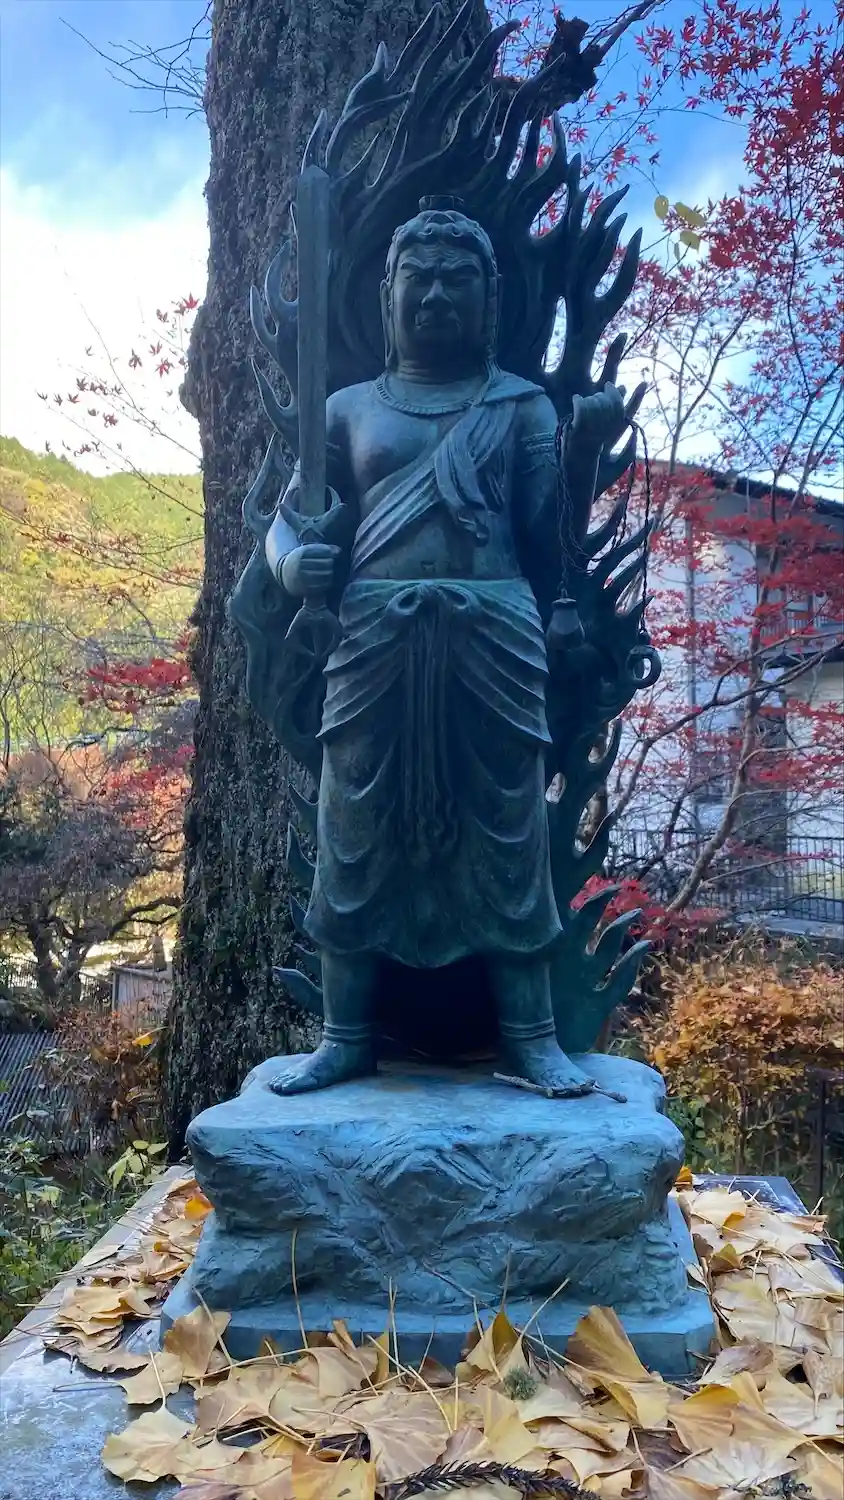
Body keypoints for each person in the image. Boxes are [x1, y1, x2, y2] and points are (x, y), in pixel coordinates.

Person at [264, 202, 623, 1096]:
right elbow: (287, 519)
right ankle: (345, 1035)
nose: (433, 297)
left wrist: (581, 454)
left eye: (455, 280)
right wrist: (295, 564)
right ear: (386, 296)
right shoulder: (348, 409)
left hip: (494, 632)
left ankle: (530, 1037)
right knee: (353, 825)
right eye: (416, 279)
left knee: (507, 829)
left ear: (488, 300)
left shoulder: (519, 404)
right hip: (370, 636)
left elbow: (544, 536)